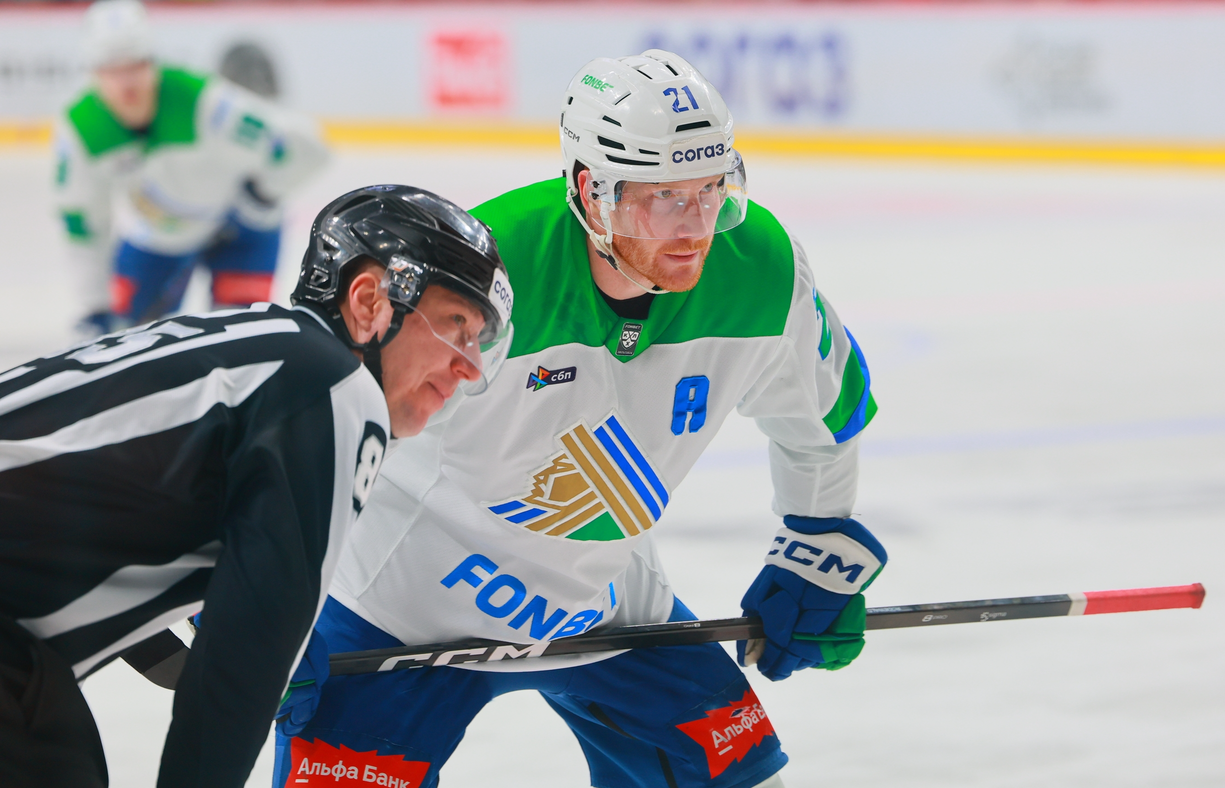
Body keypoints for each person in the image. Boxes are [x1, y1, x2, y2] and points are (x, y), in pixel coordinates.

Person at [272, 50, 883, 788]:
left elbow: (824, 415)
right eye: (665, 197)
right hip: (397, 608)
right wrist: (267, 596)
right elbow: (321, 425)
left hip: (600, 604)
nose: (697, 226)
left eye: (711, 189)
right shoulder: (480, 272)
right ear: (592, 192)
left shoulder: (761, 270)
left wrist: (816, 543)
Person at [0, 185, 514, 788]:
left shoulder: (259, 351)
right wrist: (259, 655)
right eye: (456, 325)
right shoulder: (329, 389)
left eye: (480, 340)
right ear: (369, 300)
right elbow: (242, 664)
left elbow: (79, 504)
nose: (470, 366)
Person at [54, 0, 329, 337]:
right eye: (112, 70)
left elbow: (307, 147)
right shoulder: (82, 130)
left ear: (153, 62)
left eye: (136, 66)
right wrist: (96, 304)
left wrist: (262, 194)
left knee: (241, 341)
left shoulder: (204, 102)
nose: (127, 84)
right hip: (159, 235)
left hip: (244, 233)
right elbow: (82, 223)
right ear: (93, 73)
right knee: (129, 341)